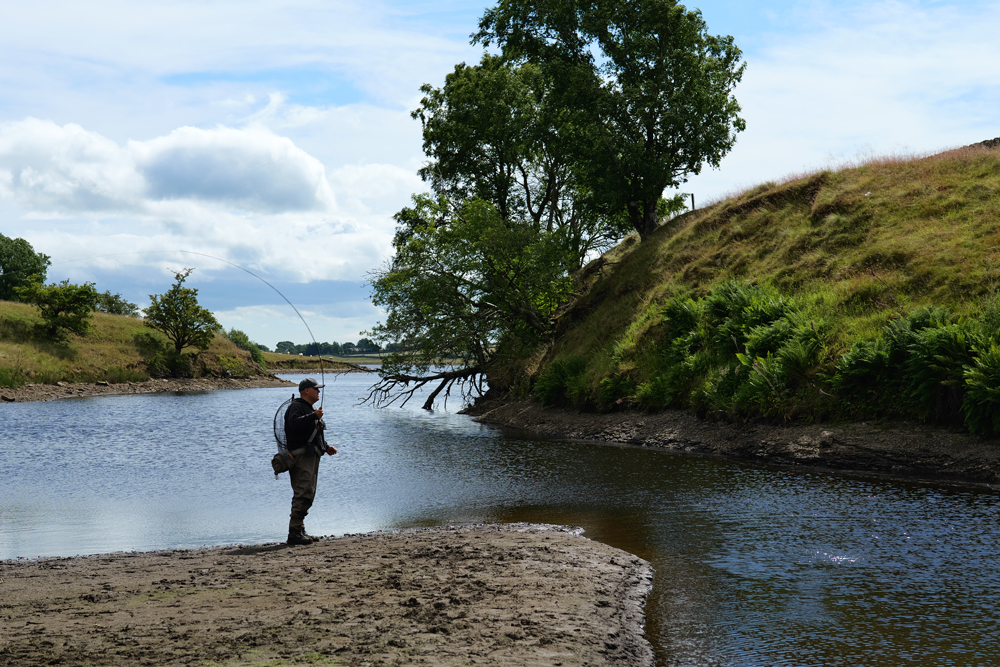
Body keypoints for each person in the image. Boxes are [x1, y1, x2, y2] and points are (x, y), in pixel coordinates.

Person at [283, 377, 337, 545]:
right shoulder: (296, 407)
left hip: (310, 455)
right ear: (306, 390)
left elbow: (310, 433)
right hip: (301, 457)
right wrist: (313, 415)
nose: (319, 391)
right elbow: (294, 424)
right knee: (304, 492)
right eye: (316, 389)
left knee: (307, 492)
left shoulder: (306, 408)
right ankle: (294, 534)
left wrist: (326, 446)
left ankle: (300, 530)